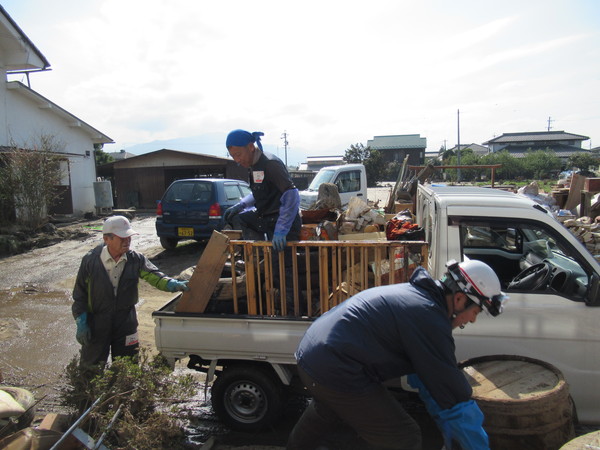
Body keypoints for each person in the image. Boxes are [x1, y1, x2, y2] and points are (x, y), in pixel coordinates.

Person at [287, 259, 508, 450]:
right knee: (404, 437)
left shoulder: (419, 298)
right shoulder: (429, 318)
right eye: (475, 312)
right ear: (459, 299)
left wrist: (447, 414)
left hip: (312, 355)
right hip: (334, 366)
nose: (472, 320)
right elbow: (452, 396)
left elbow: (428, 380)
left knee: (330, 406)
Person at [72, 215, 189, 368]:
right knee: (91, 367)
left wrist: (173, 284)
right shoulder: (90, 261)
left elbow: (155, 277)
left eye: (129, 237)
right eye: (122, 237)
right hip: (97, 322)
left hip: (126, 321)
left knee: (127, 366)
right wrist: (81, 321)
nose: (127, 241)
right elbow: (79, 295)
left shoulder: (136, 259)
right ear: (107, 239)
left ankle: (123, 392)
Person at [224, 129, 301, 313]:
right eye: (233, 156)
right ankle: (256, 253)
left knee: (283, 270)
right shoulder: (254, 166)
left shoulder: (270, 164)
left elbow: (291, 195)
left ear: (250, 147)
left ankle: (293, 311)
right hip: (267, 219)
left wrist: (281, 230)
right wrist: (241, 205)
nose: (237, 160)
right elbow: (259, 192)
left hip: (284, 222)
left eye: (238, 154)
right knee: (240, 218)